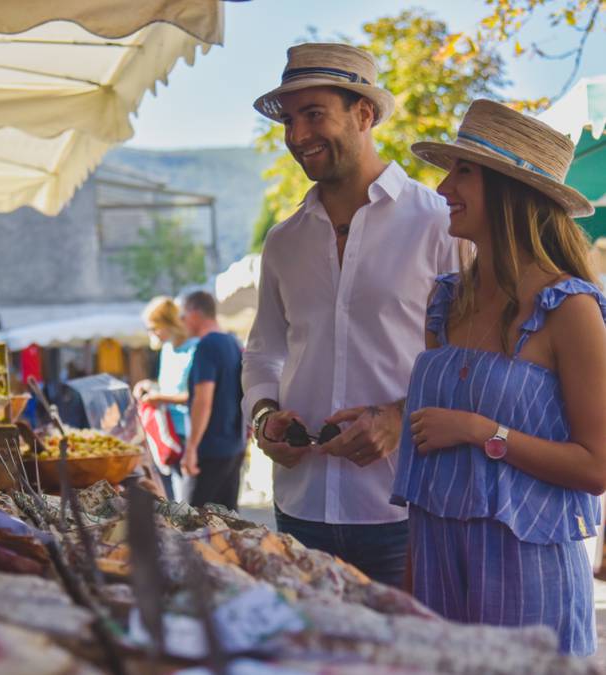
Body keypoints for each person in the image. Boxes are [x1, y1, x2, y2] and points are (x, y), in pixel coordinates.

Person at [390, 99, 606, 655]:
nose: (442, 188)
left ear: (512, 191)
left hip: (529, 585)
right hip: (438, 571)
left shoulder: (570, 308)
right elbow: (426, 481)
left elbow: (596, 466)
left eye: (464, 171)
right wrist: (411, 599)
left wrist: (480, 430)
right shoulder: (446, 301)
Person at [242, 43, 459, 587]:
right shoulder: (283, 241)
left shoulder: (439, 224)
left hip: (406, 510)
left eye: (314, 114)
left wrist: (397, 420)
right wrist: (264, 416)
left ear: (365, 113)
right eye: (289, 120)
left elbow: (474, 357)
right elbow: (264, 351)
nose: (296, 136)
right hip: (298, 510)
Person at [180, 291, 245, 510]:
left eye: (183, 316)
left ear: (195, 314)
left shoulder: (206, 346)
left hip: (210, 450)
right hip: (234, 446)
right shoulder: (232, 342)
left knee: (191, 522)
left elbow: (203, 400)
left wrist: (191, 448)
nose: (182, 322)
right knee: (227, 522)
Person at [133, 297, 198, 501]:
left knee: (186, 500)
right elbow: (170, 387)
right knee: (172, 497)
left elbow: (196, 396)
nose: (152, 334)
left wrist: (160, 397)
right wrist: (149, 386)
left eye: (154, 327)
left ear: (168, 323)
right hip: (167, 433)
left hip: (188, 432)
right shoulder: (168, 349)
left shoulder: (195, 349)